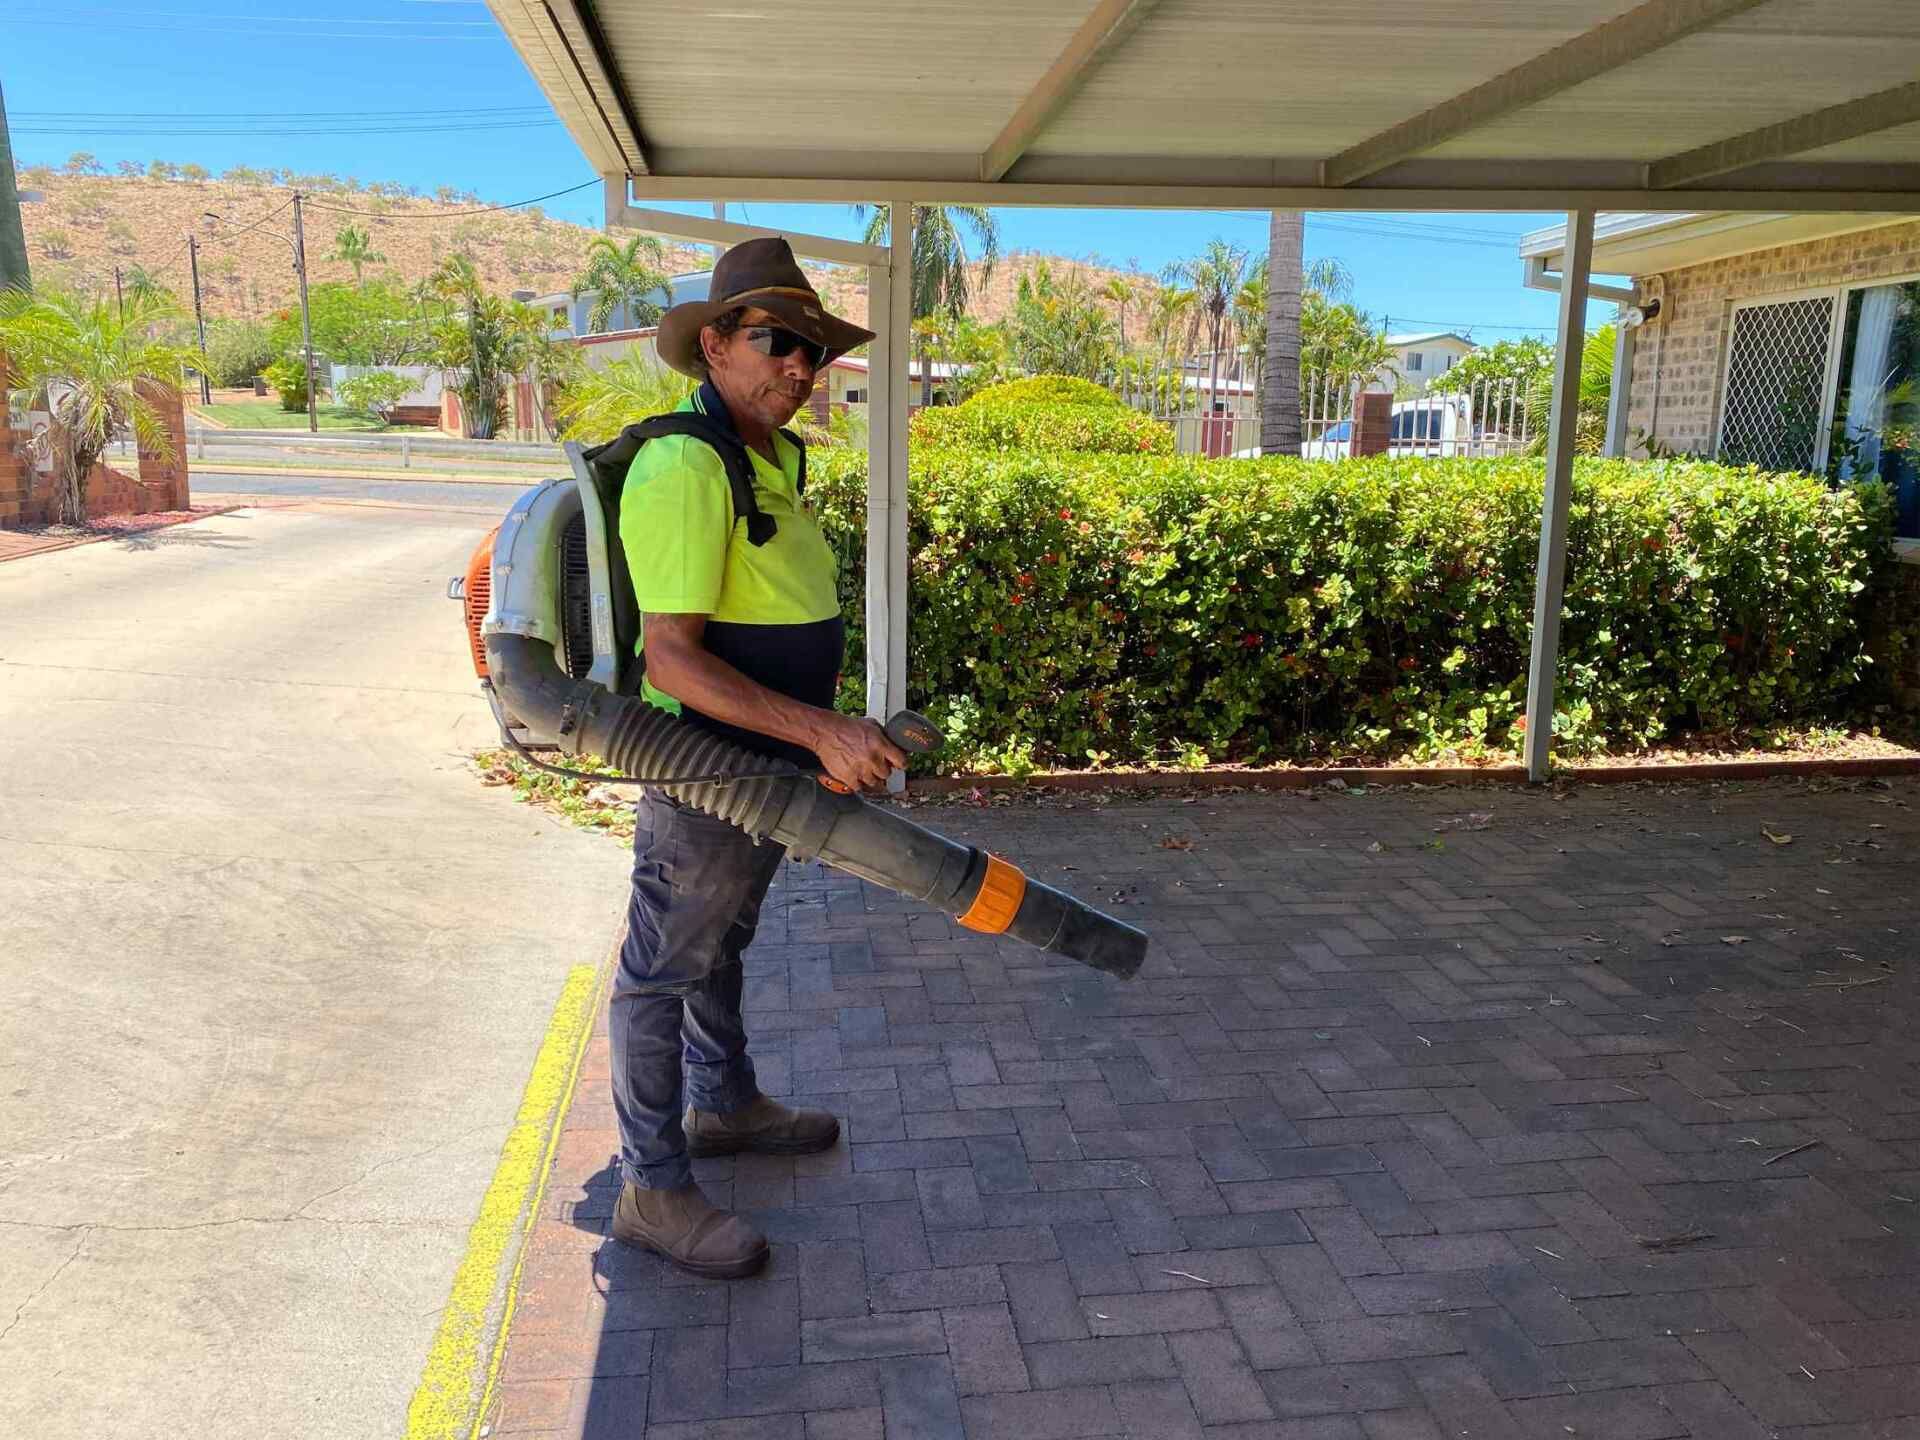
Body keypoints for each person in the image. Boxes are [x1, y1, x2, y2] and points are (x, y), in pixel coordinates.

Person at [608, 237, 907, 1278]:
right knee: (660, 971)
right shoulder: (685, 464)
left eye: (812, 355)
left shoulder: (769, 457)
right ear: (718, 345)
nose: (798, 368)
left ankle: (724, 1105)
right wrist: (823, 730)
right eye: (779, 343)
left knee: (720, 944)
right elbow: (675, 659)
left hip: (763, 769)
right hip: (708, 768)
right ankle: (651, 1187)